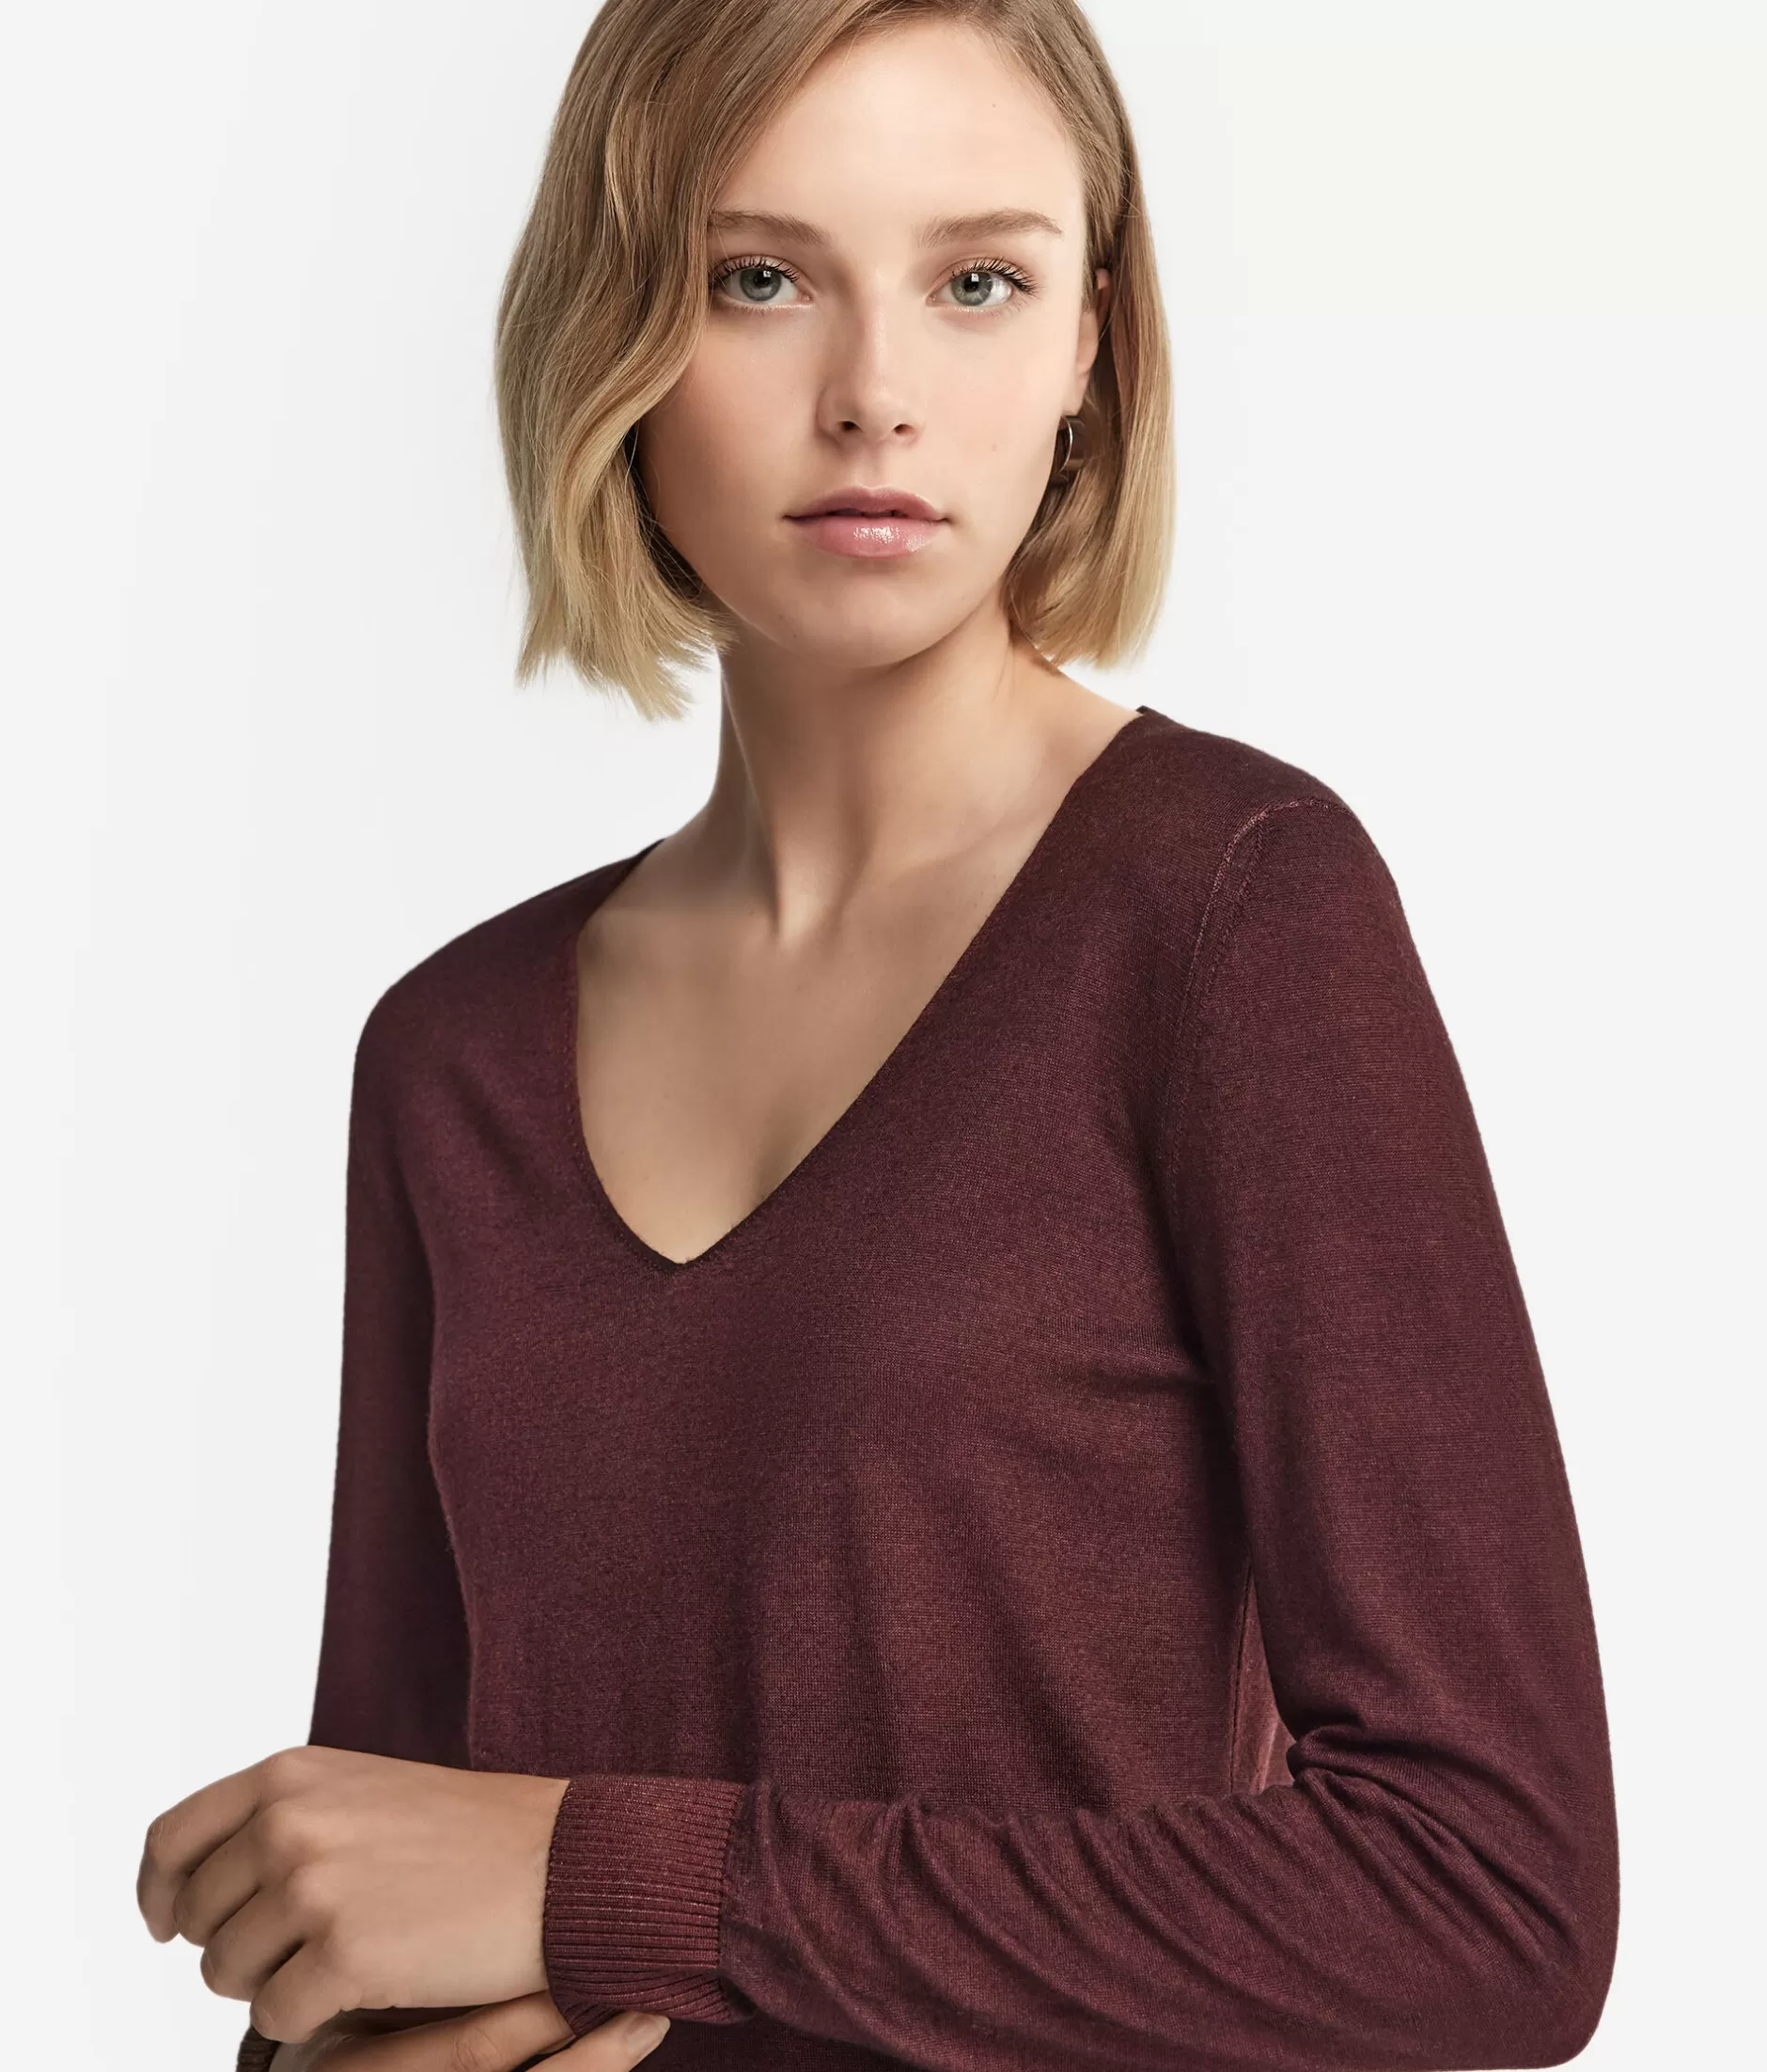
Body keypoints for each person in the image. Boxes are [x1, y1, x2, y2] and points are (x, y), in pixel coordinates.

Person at [136, 3, 1620, 2069]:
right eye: (759, 280)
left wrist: (613, 1882)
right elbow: (383, 1910)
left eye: (976, 283)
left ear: (1092, 345)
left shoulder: (1228, 913)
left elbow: (1491, 1899)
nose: (873, 397)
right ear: (613, 330)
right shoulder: (450, 1056)